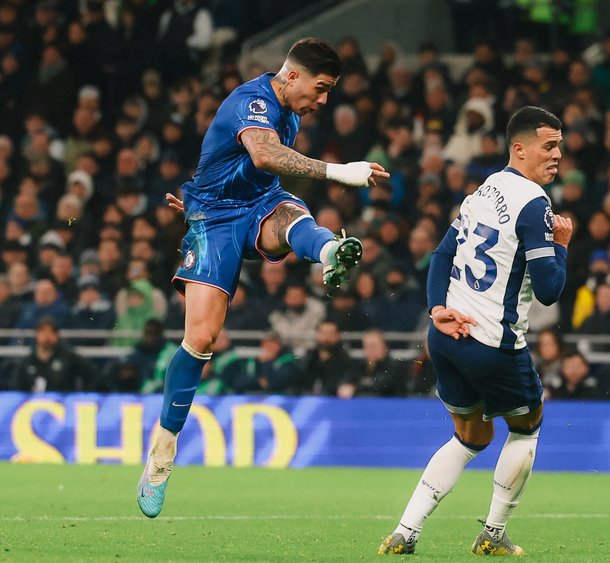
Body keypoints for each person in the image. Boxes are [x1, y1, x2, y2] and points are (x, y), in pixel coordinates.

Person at [137, 38, 390, 518]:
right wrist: (342, 172)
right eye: (320, 89)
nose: (323, 101)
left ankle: (330, 249)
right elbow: (263, 155)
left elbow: (239, 167)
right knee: (202, 339)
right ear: (291, 76)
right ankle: (161, 456)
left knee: (289, 214)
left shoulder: (291, 112)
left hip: (257, 207)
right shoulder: (251, 102)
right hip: (214, 222)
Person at [379, 106, 571, 556]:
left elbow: (441, 256)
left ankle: (405, 532)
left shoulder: (484, 190)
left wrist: (436, 309)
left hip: (446, 337)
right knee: (527, 427)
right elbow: (549, 291)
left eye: (560, 145)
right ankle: (494, 533)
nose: (558, 154)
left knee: (471, 436)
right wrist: (561, 247)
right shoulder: (534, 205)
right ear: (519, 149)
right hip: (491, 343)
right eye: (549, 146)